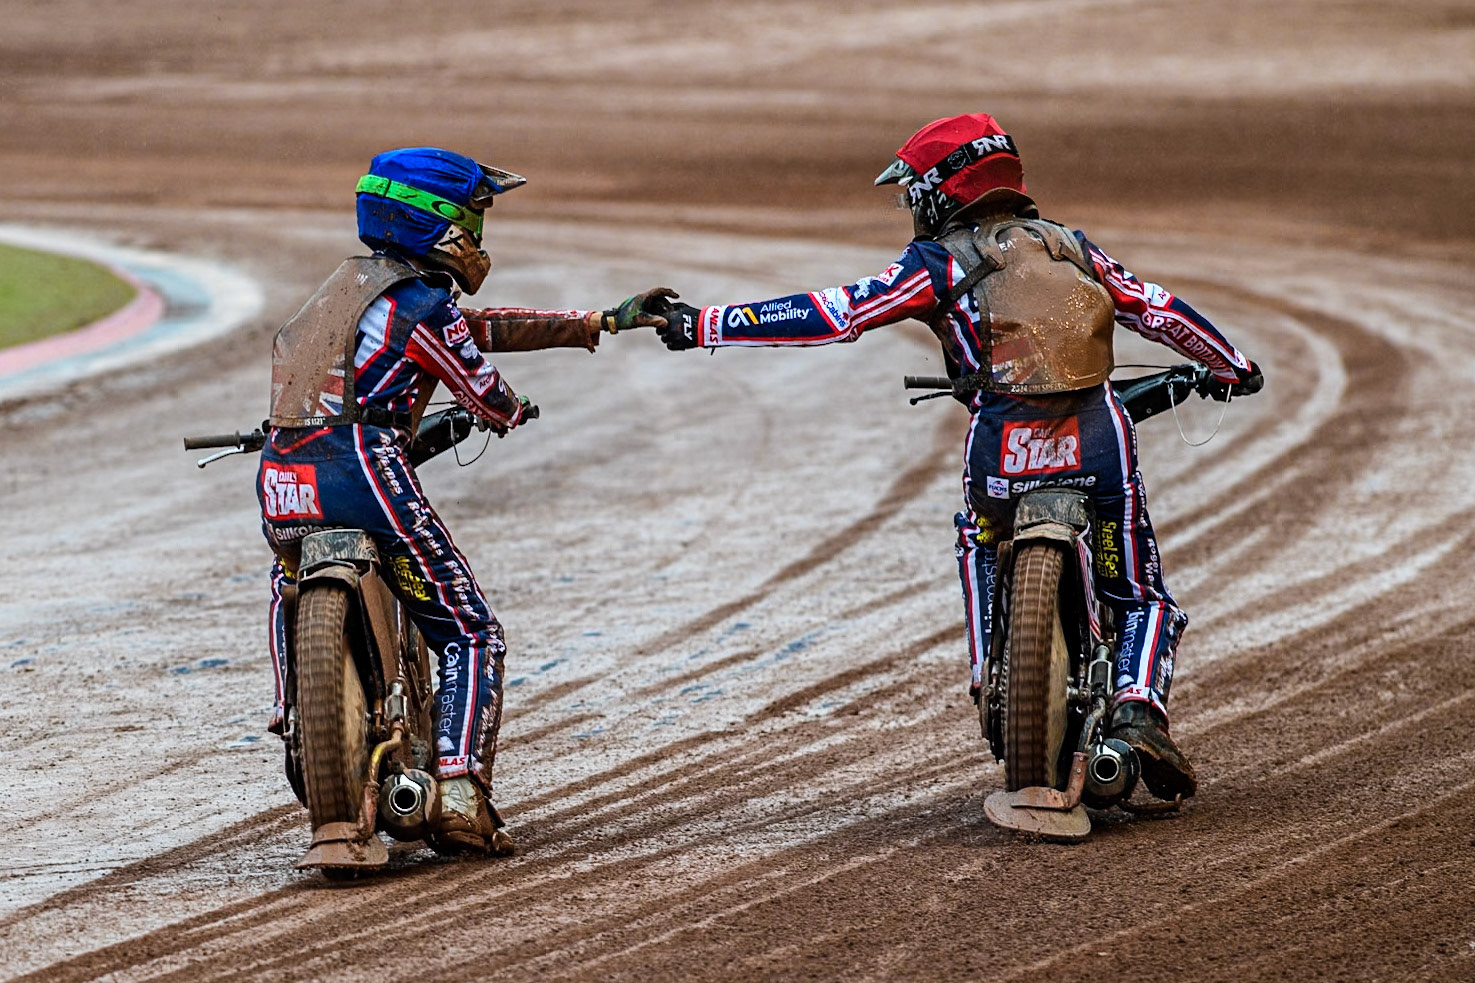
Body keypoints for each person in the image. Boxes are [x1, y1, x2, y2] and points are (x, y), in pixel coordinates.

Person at [652, 114, 1262, 801]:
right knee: (1138, 593)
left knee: (977, 537)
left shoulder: (936, 263)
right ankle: (1137, 706)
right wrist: (1232, 365)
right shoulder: (1071, 248)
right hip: (1098, 438)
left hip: (999, 448)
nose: (911, 205)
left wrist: (704, 323)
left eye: (914, 190)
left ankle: (986, 675)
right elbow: (1158, 310)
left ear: (943, 189)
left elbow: (835, 312)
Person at [259, 146, 670, 853]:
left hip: (282, 473)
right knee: (470, 629)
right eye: (475, 217)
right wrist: (508, 409)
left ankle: (291, 710)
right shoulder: (421, 303)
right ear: (438, 221)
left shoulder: (340, 293)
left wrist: (595, 322)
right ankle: (456, 790)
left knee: (284, 577)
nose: (479, 234)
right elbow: (483, 387)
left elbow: (471, 330)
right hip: (366, 470)